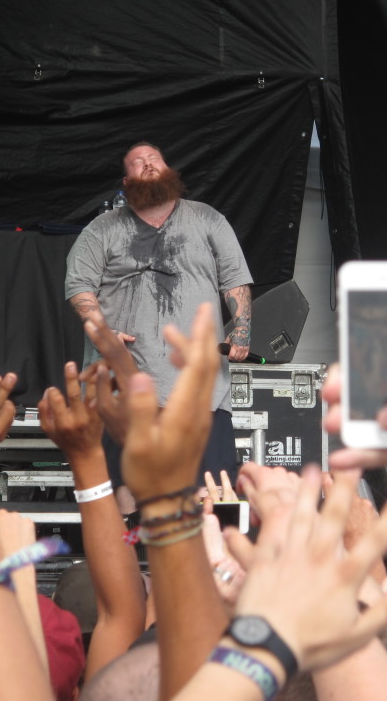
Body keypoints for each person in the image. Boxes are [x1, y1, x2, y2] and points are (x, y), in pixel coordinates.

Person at [65, 142, 253, 491]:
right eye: (137, 162)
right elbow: (79, 286)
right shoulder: (101, 229)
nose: (147, 164)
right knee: (127, 496)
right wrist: (101, 331)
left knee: (206, 496)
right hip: (124, 390)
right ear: (126, 181)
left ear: (169, 170)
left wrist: (241, 329)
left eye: (154, 159)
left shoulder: (208, 218)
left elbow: (235, 278)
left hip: (202, 393)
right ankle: (129, 547)